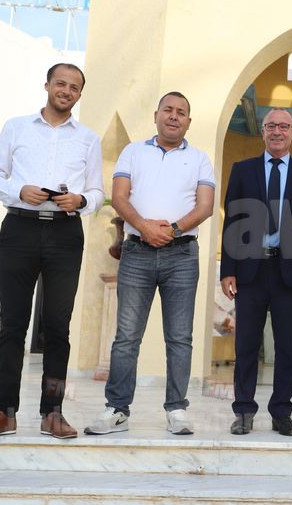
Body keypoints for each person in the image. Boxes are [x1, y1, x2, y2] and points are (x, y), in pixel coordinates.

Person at [0, 63, 104, 441]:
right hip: (19, 228)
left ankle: (52, 412)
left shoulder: (88, 139)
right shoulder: (16, 127)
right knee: (13, 323)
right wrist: (19, 191)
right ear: (47, 85)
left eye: (74, 87)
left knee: (57, 326)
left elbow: (97, 192)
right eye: (60, 83)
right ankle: (4, 412)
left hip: (65, 233)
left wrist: (80, 200)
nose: (66, 91)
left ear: (79, 94)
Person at [84, 92, 215, 436]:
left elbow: (205, 206)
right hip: (137, 253)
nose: (174, 116)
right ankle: (117, 409)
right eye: (168, 110)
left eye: (181, 112)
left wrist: (171, 230)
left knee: (180, 337)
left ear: (189, 121)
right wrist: (145, 228)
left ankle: (177, 410)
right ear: (156, 115)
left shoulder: (199, 159)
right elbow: (120, 197)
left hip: (182, 255)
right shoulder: (133, 152)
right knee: (127, 336)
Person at [221, 108, 292, 437]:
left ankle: (281, 412)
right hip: (250, 271)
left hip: (288, 273)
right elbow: (232, 221)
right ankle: (244, 411)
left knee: (288, 349)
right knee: (246, 346)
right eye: (271, 126)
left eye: (284, 126)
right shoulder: (242, 170)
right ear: (263, 132)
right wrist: (227, 269)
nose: (277, 131)